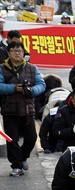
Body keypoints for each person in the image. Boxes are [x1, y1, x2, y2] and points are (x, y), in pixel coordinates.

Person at [0, 41, 45, 176]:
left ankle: (23, 157)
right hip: (9, 109)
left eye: (19, 50)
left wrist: (31, 90)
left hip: (27, 109)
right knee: (12, 139)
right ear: (9, 53)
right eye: (14, 50)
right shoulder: (2, 68)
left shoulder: (32, 68)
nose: (17, 53)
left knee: (31, 137)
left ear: (23, 52)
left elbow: (41, 85)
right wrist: (14, 88)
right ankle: (17, 166)